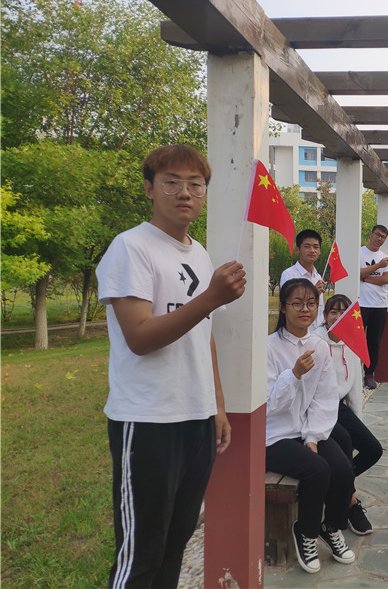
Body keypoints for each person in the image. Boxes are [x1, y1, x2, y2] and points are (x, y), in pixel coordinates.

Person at [96, 144, 247, 588]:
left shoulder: (199, 254)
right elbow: (140, 337)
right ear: (149, 189)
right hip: (147, 419)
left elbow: (204, 336)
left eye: (195, 185)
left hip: (195, 417)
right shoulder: (131, 247)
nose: (185, 193)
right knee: (141, 554)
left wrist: (217, 406)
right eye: (172, 183)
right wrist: (210, 298)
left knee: (176, 541)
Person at [266, 279, 356, 574]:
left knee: (342, 468)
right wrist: (293, 374)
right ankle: (306, 532)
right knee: (318, 470)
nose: (305, 309)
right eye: (297, 303)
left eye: (311, 303)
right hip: (275, 435)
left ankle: (331, 527)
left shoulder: (319, 346)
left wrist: (313, 437)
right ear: (283, 308)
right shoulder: (269, 347)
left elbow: (324, 398)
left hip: (306, 428)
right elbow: (269, 404)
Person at [315, 294, 384, 535]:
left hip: (338, 407)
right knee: (343, 441)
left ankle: (338, 485)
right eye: (333, 312)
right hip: (315, 407)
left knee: (373, 449)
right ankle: (351, 503)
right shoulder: (315, 342)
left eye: (344, 312)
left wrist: (357, 422)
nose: (338, 317)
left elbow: (354, 388)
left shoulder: (352, 343)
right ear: (325, 316)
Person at [359, 225, 388, 389]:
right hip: (361, 304)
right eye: (377, 235)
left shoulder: (386, 258)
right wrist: (378, 266)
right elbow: (357, 274)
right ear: (371, 234)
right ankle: (353, 372)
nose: (379, 238)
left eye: (383, 237)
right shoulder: (359, 253)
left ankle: (369, 373)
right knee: (357, 340)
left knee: (374, 342)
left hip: (379, 304)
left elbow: (386, 280)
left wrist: (366, 278)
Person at [280, 229, 325, 330]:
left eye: (316, 247)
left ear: (319, 251)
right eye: (307, 246)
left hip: (318, 331)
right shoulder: (289, 274)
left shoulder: (317, 276)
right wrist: (313, 293)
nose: (312, 250)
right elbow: (289, 304)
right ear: (297, 249)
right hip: (299, 330)